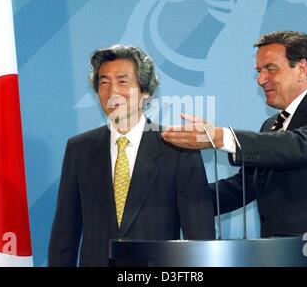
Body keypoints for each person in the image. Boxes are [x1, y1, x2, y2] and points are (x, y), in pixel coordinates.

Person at [161, 31, 307, 266]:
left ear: (301, 69)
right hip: (282, 257)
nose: (261, 80)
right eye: (259, 71)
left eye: (271, 69)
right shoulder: (270, 126)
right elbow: (244, 186)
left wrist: (220, 137)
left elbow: (298, 146)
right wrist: (176, 199)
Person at [48, 44, 215, 267]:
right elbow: (64, 233)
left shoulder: (177, 148)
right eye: (104, 82)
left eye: (123, 81)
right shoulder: (79, 149)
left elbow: (199, 238)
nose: (112, 92)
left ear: (145, 92)